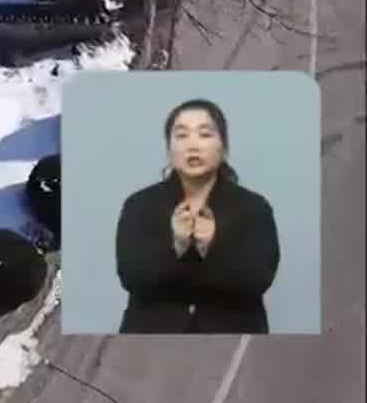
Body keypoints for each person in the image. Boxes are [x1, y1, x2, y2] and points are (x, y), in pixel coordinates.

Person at [114, 98, 279, 334]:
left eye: (205, 134)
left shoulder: (253, 207)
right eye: (181, 135)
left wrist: (213, 246)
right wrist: (177, 246)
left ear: (223, 145)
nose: (193, 145)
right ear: (169, 148)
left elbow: (258, 280)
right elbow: (132, 277)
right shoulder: (139, 205)